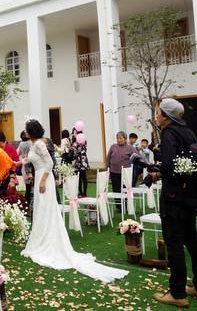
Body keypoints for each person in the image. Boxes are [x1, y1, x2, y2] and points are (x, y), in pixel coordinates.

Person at [21, 119, 128, 283]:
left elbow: (49, 163)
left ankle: (47, 240)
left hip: (44, 180)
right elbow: (32, 160)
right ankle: (39, 238)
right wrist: (18, 162)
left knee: (46, 209)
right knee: (40, 209)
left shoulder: (40, 144)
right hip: (39, 178)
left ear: (30, 131)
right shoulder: (34, 145)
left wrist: (42, 181)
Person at [148, 99, 197, 307]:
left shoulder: (169, 133)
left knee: (174, 244)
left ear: (166, 116)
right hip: (189, 196)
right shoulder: (188, 132)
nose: (156, 116)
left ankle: (177, 293)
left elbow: (169, 166)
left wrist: (156, 173)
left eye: (158, 113)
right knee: (192, 241)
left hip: (174, 197)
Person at [106, 131, 137, 208]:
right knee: (116, 189)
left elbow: (136, 156)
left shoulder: (130, 148)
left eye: (120, 138)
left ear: (125, 139)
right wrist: (107, 168)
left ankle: (126, 205)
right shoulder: (113, 146)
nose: (118, 140)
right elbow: (108, 158)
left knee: (125, 189)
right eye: (117, 138)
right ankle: (119, 206)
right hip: (114, 172)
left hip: (125, 173)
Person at [17, 131, 34, 209]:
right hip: (30, 167)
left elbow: (17, 153)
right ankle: (30, 206)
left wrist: (21, 158)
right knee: (31, 189)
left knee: (27, 188)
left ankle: (26, 205)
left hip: (24, 167)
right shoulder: (31, 143)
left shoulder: (21, 144)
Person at [72, 131, 89, 197]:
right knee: (80, 178)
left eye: (75, 133)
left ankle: (83, 193)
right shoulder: (76, 142)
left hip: (81, 161)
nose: (74, 134)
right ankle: (81, 192)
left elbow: (76, 152)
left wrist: (75, 147)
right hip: (80, 161)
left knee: (82, 177)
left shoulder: (81, 142)